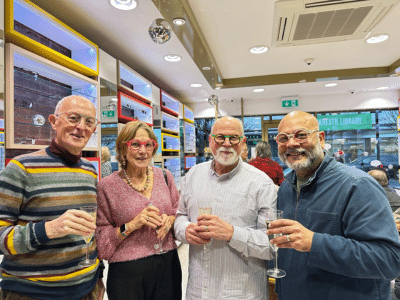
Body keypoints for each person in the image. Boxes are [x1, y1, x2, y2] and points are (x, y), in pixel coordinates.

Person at [266, 111, 400, 300]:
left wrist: (315, 242)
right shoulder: (286, 188)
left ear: (321, 139)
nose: (291, 143)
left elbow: (389, 259)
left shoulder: (358, 185)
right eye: (283, 138)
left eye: (301, 135)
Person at [0, 95, 104, 300]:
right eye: (73, 118)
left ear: (94, 129)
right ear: (53, 121)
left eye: (89, 121)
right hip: (32, 292)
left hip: (87, 288)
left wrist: (97, 277)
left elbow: (91, 233)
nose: (81, 127)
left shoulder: (90, 171)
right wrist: (49, 229)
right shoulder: (21, 168)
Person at [174, 116, 277, 300]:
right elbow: (180, 216)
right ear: (210, 140)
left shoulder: (261, 183)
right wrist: (185, 230)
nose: (227, 143)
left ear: (243, 142)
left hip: (243, 292)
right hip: (198, 291)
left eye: (234, 138)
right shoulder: (193, 176)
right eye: (220, 137)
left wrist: (231, 233)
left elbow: (271, 245)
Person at [95, 121, 182, 300]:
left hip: (168, 265)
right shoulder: (106, 187)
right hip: (127, 274)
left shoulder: (165, 177)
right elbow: (102, 244)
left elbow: (179, 213)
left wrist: (170, 220)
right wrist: (133, 224)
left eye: (148, 144)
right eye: (135, 144)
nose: (142, 151)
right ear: (123, 148)